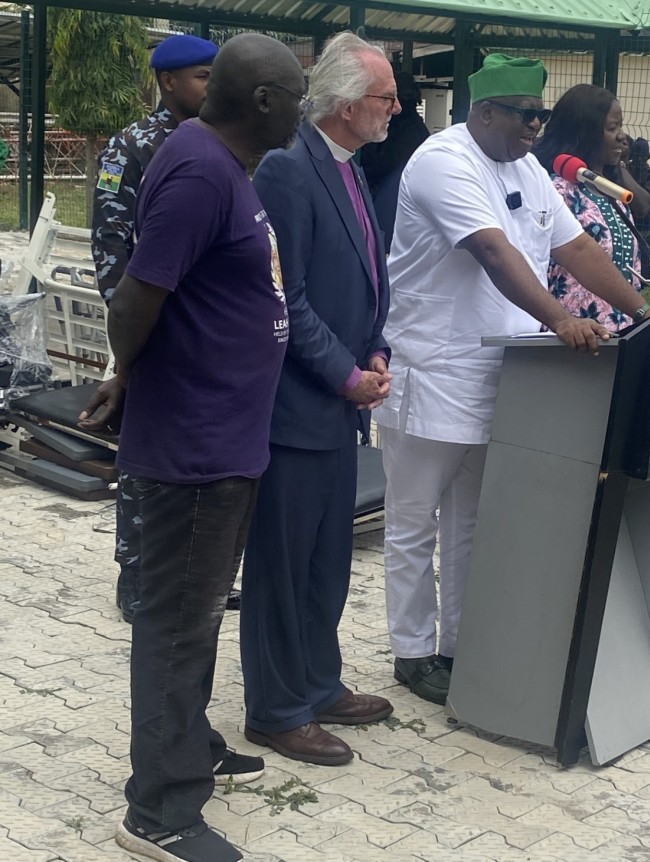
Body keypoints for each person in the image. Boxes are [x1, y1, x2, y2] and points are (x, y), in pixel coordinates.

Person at [373, 54, 650, 705]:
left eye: (542, 115)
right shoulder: (445, 161)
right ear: (485, 112)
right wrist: (561, 319)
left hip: (505, 376)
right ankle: (412, 654)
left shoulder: (527, 168)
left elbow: (577, 249)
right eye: (525, 115)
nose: (536, 126)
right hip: (435, 369)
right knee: (415, 520)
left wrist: (645, 313)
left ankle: (459, 644)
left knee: (473, 519)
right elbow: (494, 250)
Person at [83, 33, 306, 862]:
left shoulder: (222, 166)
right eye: (296, 96)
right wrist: (128, 373)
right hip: (192, 443)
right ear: (262, 103)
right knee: (176, 622)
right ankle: (162, 810)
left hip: (223, 434)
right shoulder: (197, 170)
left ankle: (191, 748)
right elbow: (138, 294)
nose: (303, 111)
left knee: (200, 613)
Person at [240, 31, 394, 769]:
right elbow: (284, 295)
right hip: (296, 410)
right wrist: (343, 372)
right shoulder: (286, 171)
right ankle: (274, 710)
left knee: (327, 562)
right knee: (282, 564)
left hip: (341, 410)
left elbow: (367, 280)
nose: (397, 107)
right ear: (341, 102)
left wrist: (378, 352)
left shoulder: (350, 168)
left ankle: (317, 683)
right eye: (385, 97)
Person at [87, 33, 245, 625]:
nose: (210, 87)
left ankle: (203, 574)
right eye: (202, 76)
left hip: (208, 329)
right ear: (169, 81)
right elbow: (110, 244)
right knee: (144, 456)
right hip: (152, 325)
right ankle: (139, 577)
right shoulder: (133, 147)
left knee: (202, 456)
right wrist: (131, 333)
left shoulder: (226, 144)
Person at [534, 84, 643, 331]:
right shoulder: (557, 193)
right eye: (611, 128)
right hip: (571, 339)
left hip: (620, 335)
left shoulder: (613, 196)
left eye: (621, 126)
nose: (622, 136)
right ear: (584, 131)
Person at [360, 70, 430, 251]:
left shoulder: (412, 132)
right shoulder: (409, 127)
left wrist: (363, 144)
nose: (394, 107)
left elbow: (382, 166)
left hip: (391, 210)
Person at [627, 137, 650, 282]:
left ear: (647, 157)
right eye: (636, 156)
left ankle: (644, 280)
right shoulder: (625, 171)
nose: (639, 160)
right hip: (629, 220)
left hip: (644, 222)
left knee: (644, 256)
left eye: (641, 157)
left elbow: (649, 198)